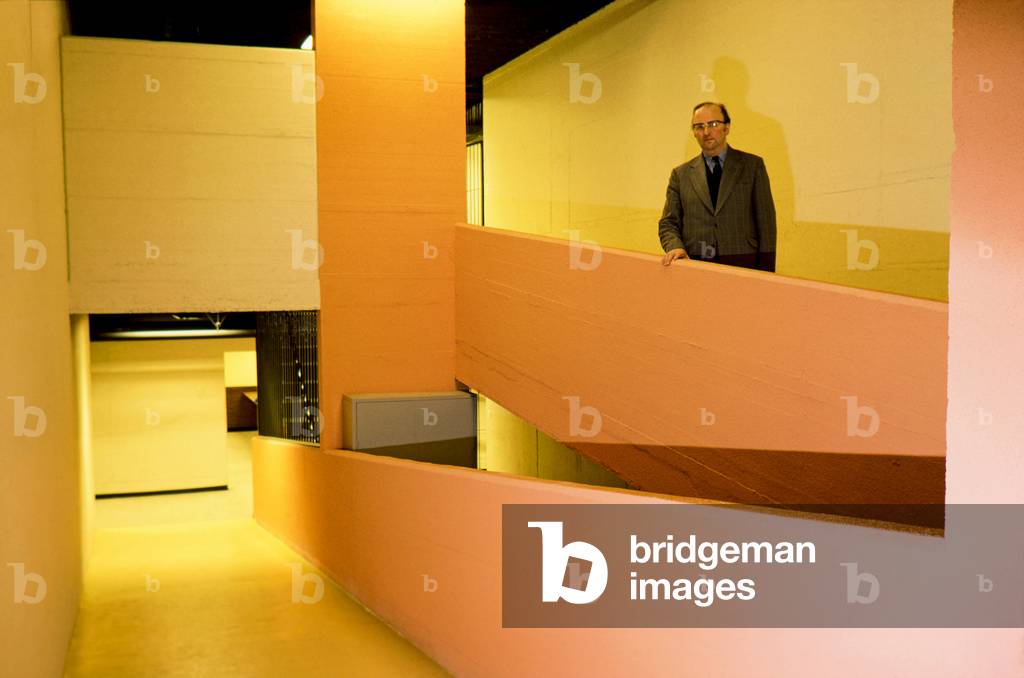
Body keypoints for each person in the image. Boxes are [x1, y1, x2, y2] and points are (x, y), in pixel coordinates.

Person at [658, 102, 776, 272]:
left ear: (727, 127)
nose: (706, 132)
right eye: (699, 126)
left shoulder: (752, 166)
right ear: (694, 132)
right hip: (696, 263)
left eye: (713, 124)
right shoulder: (680, 175)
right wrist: (675, 246)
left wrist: (767, 273)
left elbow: (766, 224)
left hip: (744, 262)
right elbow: (668, 223)